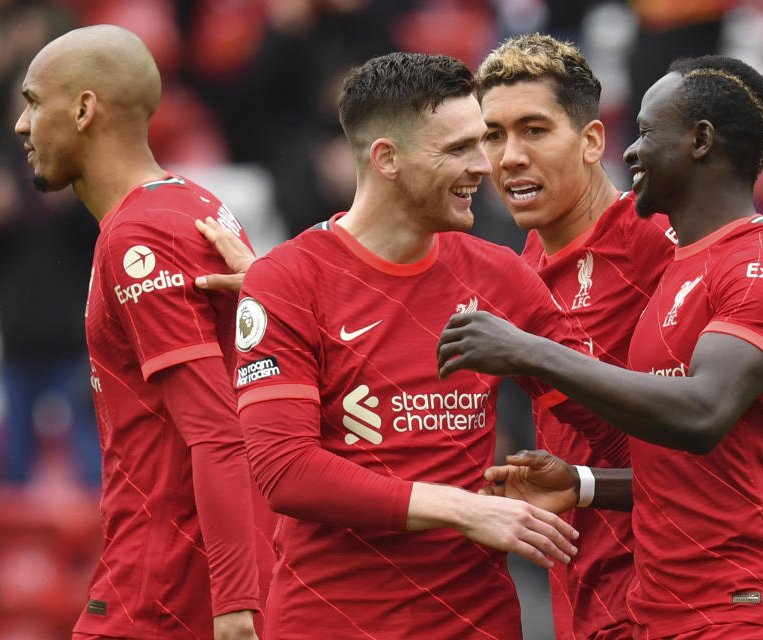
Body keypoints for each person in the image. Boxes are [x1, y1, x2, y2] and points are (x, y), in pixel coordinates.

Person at [438, 54, 763, 639]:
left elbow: (722, 390)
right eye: (491, 136)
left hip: (715, 595)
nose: (509, 156)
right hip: (594, 593)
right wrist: (581, 484)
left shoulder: (665, 239)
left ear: (592, 139)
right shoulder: (509, 276)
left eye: (534, 129)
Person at [232, 52, 586, 640]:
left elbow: (602, 416)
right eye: (458, 149)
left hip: (478, 622)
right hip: (333, 622)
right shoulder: (288, 279)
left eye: (483, 142)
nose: (485, 166)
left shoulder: (500, 276)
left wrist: (721, 257)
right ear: (386, 159)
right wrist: (463, 508)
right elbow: (286, 471)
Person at [14, 25, 265, 640]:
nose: (22, 125)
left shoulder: (140, 238)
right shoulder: (195, 203)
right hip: (190, 574)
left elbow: (217, 432)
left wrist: (235, 602)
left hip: (160, 588)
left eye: (32, 101)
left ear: (82, 109)